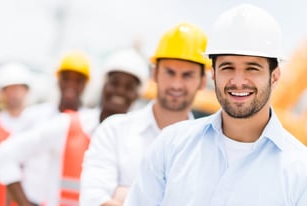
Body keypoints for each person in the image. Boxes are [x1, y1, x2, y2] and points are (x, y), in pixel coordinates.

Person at [124, 4, 307, 206]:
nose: (238, 80)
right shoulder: (171, 147)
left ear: (274, 77)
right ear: (213, 74)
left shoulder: (299, 170)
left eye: (252, 68)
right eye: (227, 67)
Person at [0, 48, 148, 206]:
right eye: (115, 83)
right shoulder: (68, 124)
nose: (120, 91)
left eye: (129, 87)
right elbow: (3, 156)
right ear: (103, 85)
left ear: (137, 94)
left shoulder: (140, 141)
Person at [79, 22, 211, 206]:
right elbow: (93, 200)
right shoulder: (114, 131)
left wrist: (126, 196)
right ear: (155, 74)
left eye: (187, 75)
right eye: (170, 72)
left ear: (202, 81)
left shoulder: (208, 149)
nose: (176, 84)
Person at [0, 62, 32, 206]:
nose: (12, 94)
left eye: (17, 88)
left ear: (26, 90)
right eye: (8, 89)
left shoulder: (35, 127)